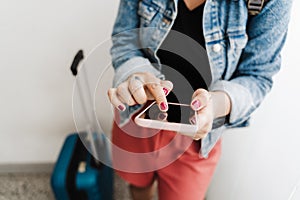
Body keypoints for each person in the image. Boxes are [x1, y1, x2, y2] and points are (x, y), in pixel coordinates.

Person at [107, 0, 292, 199]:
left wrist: (215, 105)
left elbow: (257, 75)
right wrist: (136, 74)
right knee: (137, 185)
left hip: (196, 140)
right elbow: (124, 41)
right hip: (137, 115)